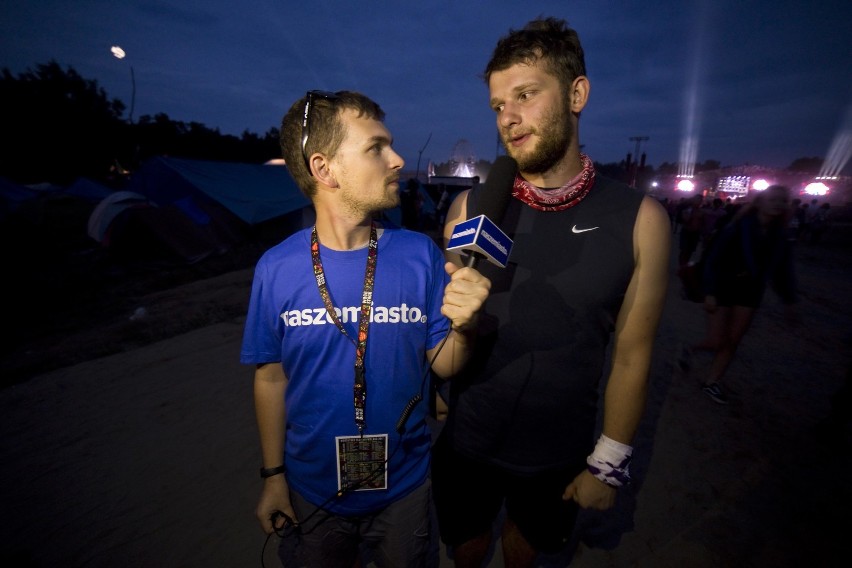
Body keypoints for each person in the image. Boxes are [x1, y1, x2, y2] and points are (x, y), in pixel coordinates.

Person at [431, 17, 671, 567]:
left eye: (525, 95)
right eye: (497, 105)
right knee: (465, 545)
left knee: (523, 550)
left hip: (557, 452)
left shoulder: (641, 221)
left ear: (576, 94)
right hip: (468, 438)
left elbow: (633, 356)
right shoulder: (469, 209)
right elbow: (449, 327)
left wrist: (607, 463)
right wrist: (443, 383)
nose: (507, 119)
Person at [241, 90, 491, 567]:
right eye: (376, 147)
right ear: (324, 168)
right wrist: (273, 476)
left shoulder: (420, 255)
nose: (397, 159)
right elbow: (270, 378)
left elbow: (446, 363)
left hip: (406, 488)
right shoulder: (275, 269)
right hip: (311, 491)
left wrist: (465, 328)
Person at [695, 185, 798, 404]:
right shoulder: (737, 228)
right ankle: (689, 350)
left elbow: (783, 270)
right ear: (760, 202)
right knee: (715, 340)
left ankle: (712, 382)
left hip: (750, 292)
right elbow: (713, 260)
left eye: (783, 200)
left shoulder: (781, 235)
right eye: (773, 199)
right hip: (723, 288)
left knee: (732, 341)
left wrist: (789, 300)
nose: (778, 204)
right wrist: (709, 291)